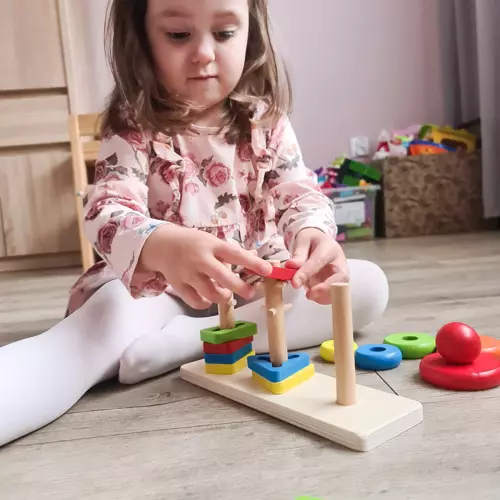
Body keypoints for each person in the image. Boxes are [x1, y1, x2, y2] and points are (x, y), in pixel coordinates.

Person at [0, 0, 388, 447]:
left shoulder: (267, 121)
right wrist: (162, 244)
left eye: (224, 33)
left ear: (251, 31)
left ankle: (191, 343)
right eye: (179, 35)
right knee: (98, 328)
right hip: (160, 294)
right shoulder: (133, 123)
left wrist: (312, 235)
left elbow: (298, 192)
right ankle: (193, 338)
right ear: (143, 37)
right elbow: (106, 209)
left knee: (366, 286)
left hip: (252, 287)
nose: (204, 53)